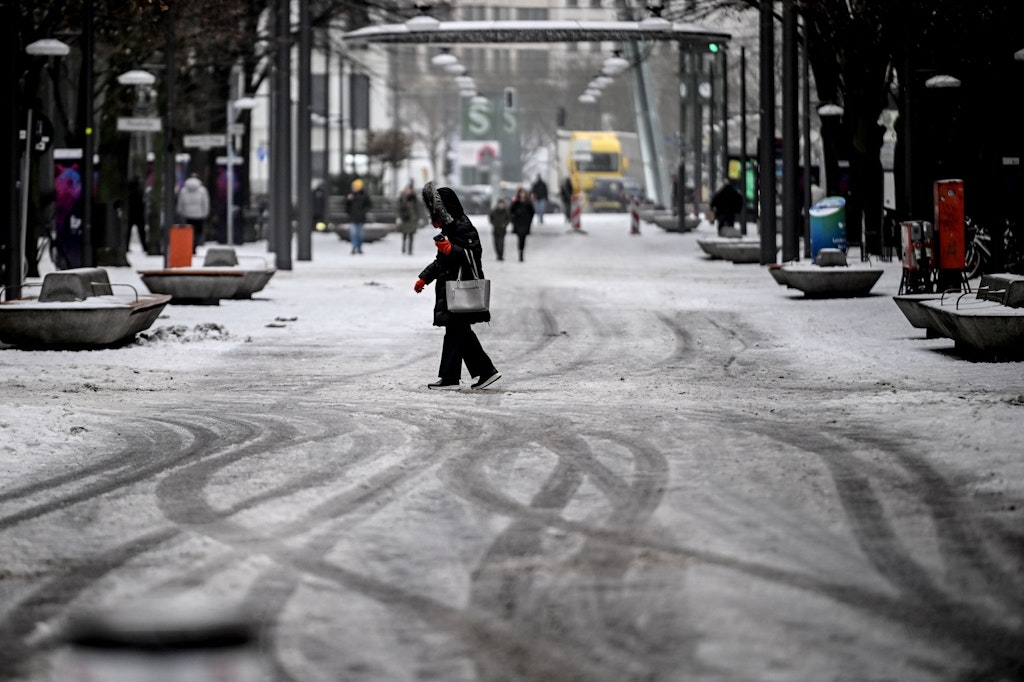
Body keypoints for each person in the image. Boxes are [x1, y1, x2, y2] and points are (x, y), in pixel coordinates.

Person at [413, 182, 501, 391]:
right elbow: (441, 262)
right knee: (460, 332)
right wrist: (424, 278)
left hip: (461, 289)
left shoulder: (462, 225)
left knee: (455, 332)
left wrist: (451, 249)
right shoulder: (450, 227)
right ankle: (485, 371)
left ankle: (451, 378)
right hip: (451, 290)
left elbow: (473, 254)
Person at [176, 172, 210, 251]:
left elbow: (180, 202)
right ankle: (195, 244)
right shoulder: (202, 190)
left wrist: (180, 211)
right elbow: (205, 202)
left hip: (187, 214)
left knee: (188, 230)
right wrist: (205, 212)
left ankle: (190, 244)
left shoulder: (184, 190)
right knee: (198, 231)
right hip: (199, 214)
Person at [346, 178, 372, 254]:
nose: (354, 188)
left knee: (360, 235)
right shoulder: (350, 195)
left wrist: (363, 212)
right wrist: (348, 200)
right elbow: (347, 206)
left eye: (356, 186)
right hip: (353, 217)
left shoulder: (364, 195)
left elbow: (369, 205)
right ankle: (354, 247)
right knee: (353, 234)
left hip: (361, 218)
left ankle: (359, 247)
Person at [509, 186, 535, 262]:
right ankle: (520, 253)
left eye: (523, 193)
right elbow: (511, 211)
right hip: (518, 223)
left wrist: (529, 220)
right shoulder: (516, 202)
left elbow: (532, 212)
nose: (522, 194)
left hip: (525, 223)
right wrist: (514, 218)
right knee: (520, 238)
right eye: (521, 193)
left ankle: (521, 252)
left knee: (523, 238)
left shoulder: (528, 203)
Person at [396, 182, 420, 255]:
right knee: (404, 234)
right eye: (407, 190)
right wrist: (399, 216)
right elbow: (399, 208)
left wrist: (419, 217)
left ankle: (410, 250)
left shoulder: (414, 198)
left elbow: (418, 208)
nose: (409, 191)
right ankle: (403, 247)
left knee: (411, 235)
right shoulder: (402, 198)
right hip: (405, 218)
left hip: (412, 219)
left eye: (410, 190)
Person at [126, 175, 147, 253]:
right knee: (142, 232)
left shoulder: (129, 189)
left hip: (131, 212)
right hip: (139, 213)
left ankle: (126, 246)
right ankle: (144, 247)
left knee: (128, 232)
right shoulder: (139, 189)